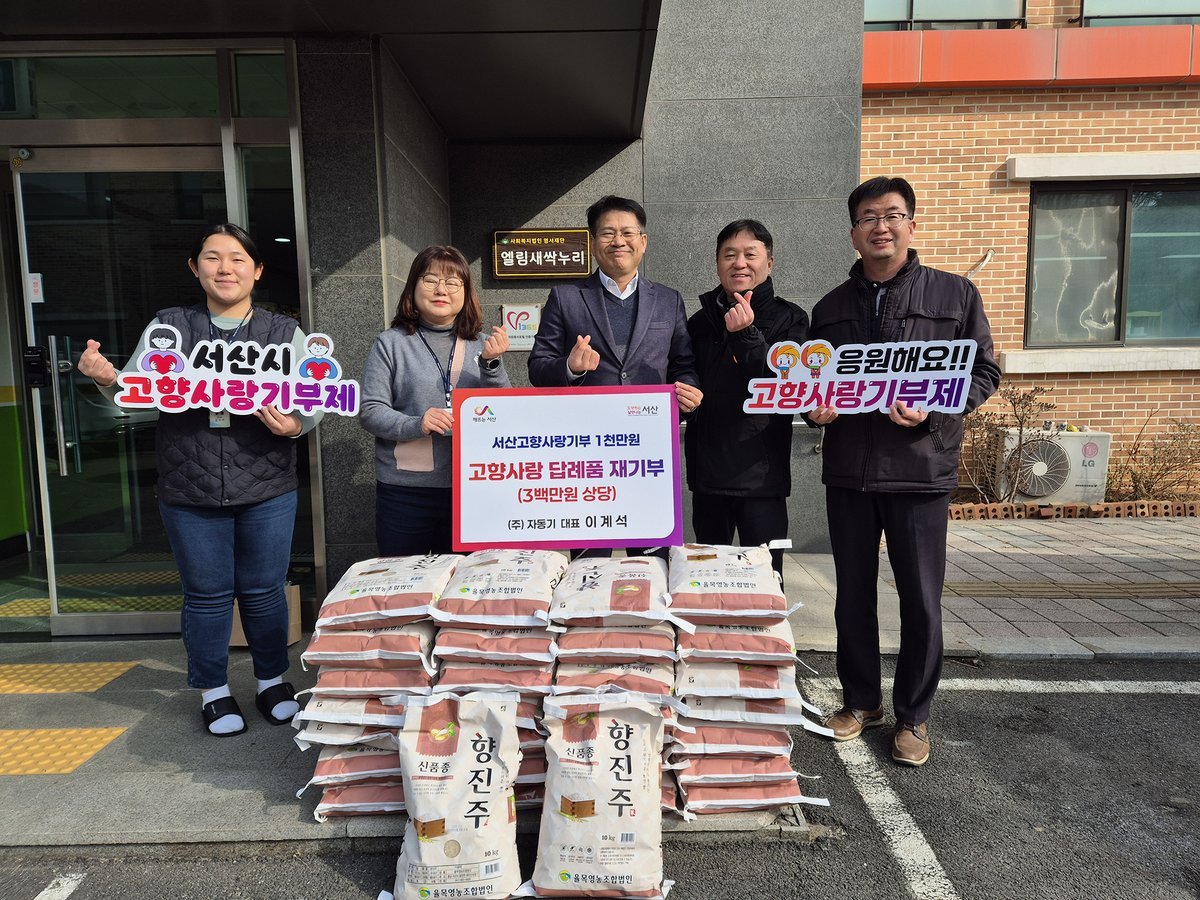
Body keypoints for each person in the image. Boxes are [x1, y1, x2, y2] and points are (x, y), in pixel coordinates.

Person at [78, 223, 315, 738]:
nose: (225, 268)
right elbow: (137, 393)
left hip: (267, 486)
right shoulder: (169, 327)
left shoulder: (283, 333)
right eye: (212, 257)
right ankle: (213, 690)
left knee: (265, 591)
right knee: (206, 595)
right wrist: (107, 378)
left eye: (237, 258)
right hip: (189, 487)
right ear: (195, 267)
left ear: (257, 270)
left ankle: (272, 681)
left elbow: (314, 395)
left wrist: (297, 424)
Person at [807, 177, 1000, 767]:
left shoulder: (954, 294)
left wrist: (934, 407)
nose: (880, 227)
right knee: (852, 596)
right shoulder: (830, 308)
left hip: (920, 469)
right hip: (850, 472)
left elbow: (984, 373)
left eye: (892, 215)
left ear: (911, 225)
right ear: (853, 232)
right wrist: (815, 409)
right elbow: (813, 383)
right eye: (868, 217)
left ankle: (913, 715)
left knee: (920, 599)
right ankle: (861, 702)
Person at [527, 195, 702, 558]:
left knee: (652, 563)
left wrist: (690, 390)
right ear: (593, 243)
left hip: (647, 454)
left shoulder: (668, 300)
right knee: (588, 566)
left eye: (627, 232)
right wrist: (571, 367)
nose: (618, 241)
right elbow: (538, 366)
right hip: (587, 456)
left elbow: (683, 363)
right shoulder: (565, 298)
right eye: (607, 233)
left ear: (643, 241)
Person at [360, 245, 511, 556]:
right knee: (402, 578)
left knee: (465, 579)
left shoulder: (483, 345)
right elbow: (370, 411)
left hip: (472, 487)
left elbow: (504, 411)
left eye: (453, 282)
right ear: (413, 286)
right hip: (405, 491)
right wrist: (416, 424)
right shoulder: (391, 343)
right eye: (430, 280)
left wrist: (492, 364)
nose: (441, 290)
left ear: (466, 293)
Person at [684, 219, 809, 581]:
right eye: (729, 255)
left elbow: (789, 384)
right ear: (717, 263)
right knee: (708, 580)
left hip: (762, 479)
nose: (740, 263)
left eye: (750, 254)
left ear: (769, 262)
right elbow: (682, 373)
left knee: (765, 580)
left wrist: (746, 334)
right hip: (708, 476)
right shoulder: (700, 322)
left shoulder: (790, 318)